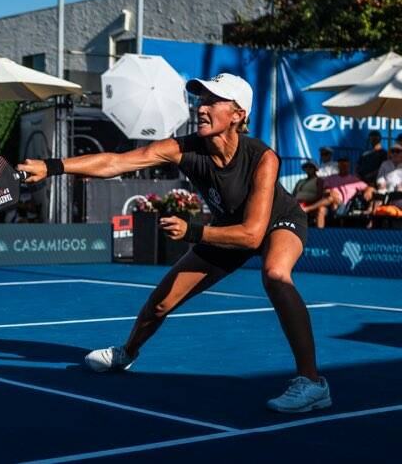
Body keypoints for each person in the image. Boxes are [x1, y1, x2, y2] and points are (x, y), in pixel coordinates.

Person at [19, 73, 330, 413]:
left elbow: (253, 234)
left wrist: (193, 231)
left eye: (213, 101)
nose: (202, 107)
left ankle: (312, 383)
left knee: (275, 275)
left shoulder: (263, 157)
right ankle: (127, 353)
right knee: (161, 303)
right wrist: (53, 167)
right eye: (201, 99)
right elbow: (117, 162)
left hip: (276, 222)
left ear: (238, 114)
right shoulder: (183, 148)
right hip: (228, 227)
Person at [303, 158, 370, 229]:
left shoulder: (354, 180)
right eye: (342, 165)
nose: (343, 167)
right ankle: (320, 234)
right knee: (321, 209)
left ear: (348, 167)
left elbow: (368, 187)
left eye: (345, 165)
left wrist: (368, 191)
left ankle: (308, 208)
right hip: (330, 205)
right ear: (338, 166)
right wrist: (330, 192)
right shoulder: (330, 178)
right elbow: (326, 190)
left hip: (345, 207)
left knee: (331, 198)